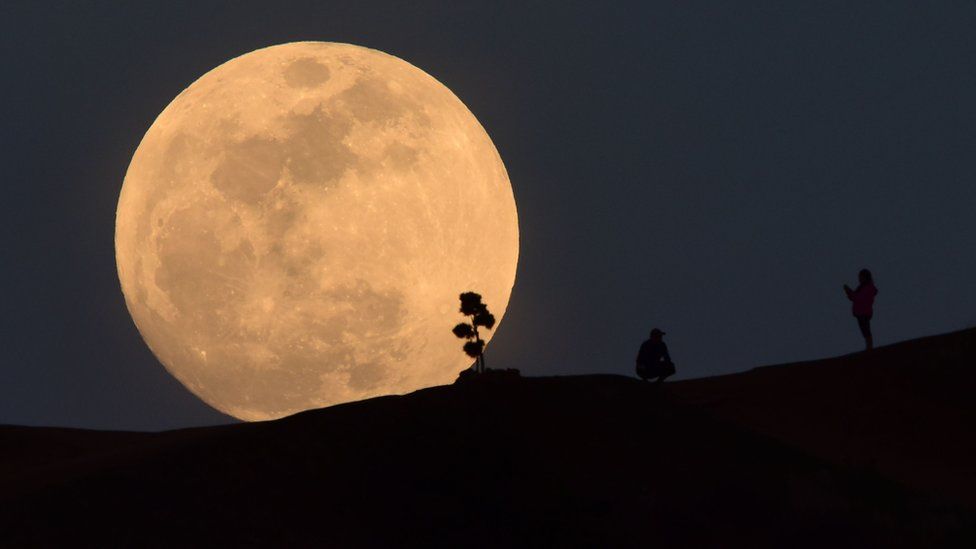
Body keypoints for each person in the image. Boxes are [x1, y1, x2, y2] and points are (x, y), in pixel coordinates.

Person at [844, 268, 878, 350]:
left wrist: (850, 292)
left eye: (860, 277)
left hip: (864, 312)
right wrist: (849, 292)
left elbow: (858, 297)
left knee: (866, 330)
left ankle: (869, 346)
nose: (859, 279)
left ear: (865, 277)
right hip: (860, 312)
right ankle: (869, 346)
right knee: (864, 330)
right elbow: (854, 297)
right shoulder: (862, 287)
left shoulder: (867, 287)